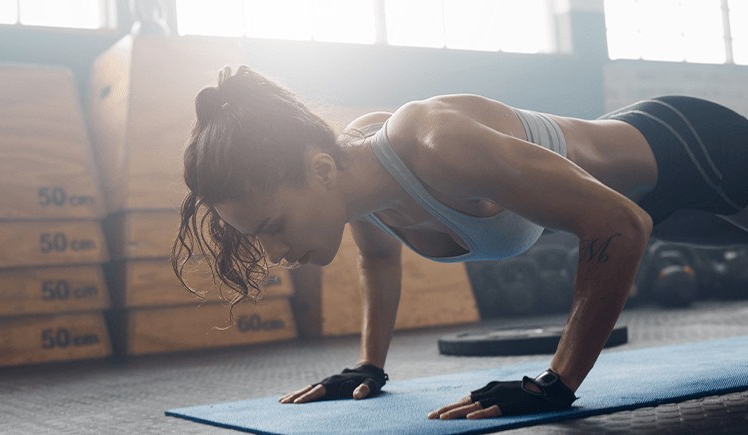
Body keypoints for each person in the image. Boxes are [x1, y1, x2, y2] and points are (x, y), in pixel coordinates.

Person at [171, 65, 748, 420]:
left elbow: (620, 225)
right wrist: (369, 366)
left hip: (691, 150)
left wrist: (557, 383)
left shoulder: (432, 142)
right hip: (656, 201)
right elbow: (376, 259)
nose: (273, 255)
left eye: (272, 226)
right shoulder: (355, 185)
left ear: (320, 170)